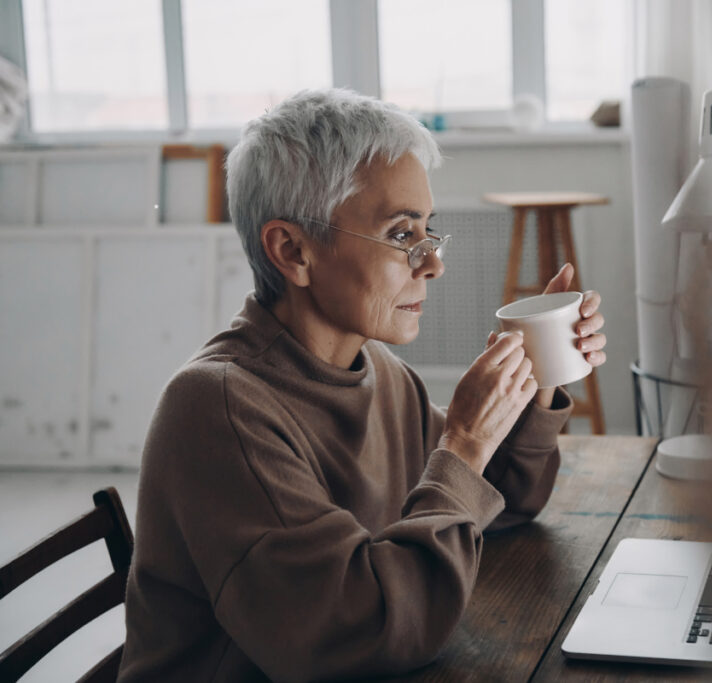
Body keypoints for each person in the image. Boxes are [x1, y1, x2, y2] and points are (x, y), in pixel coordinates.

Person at [117, 88, 607, 681]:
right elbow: (363, 632)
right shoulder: (219, 408)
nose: (433, 263)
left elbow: (493, 502)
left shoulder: (379, 373)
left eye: (429, 230)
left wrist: (542, 377)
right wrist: (463, 445)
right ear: (293, 251)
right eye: (402, 235)